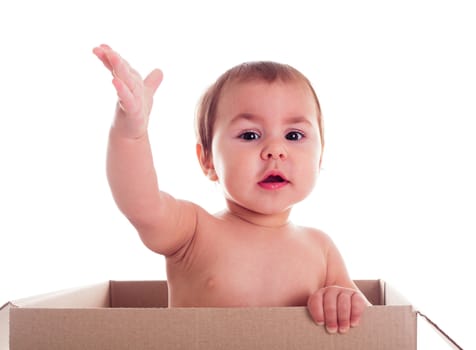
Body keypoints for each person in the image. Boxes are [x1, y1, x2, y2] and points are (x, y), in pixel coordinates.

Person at [93, 44, 370, 334]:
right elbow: (141, 204)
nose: (275, 150)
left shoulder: (321, 249)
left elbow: (373, 326)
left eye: (294, 135)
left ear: (321, 156)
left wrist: (343, 302)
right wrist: (130, 133)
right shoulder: (194, 231)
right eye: (250, 135)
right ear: (207, 160)